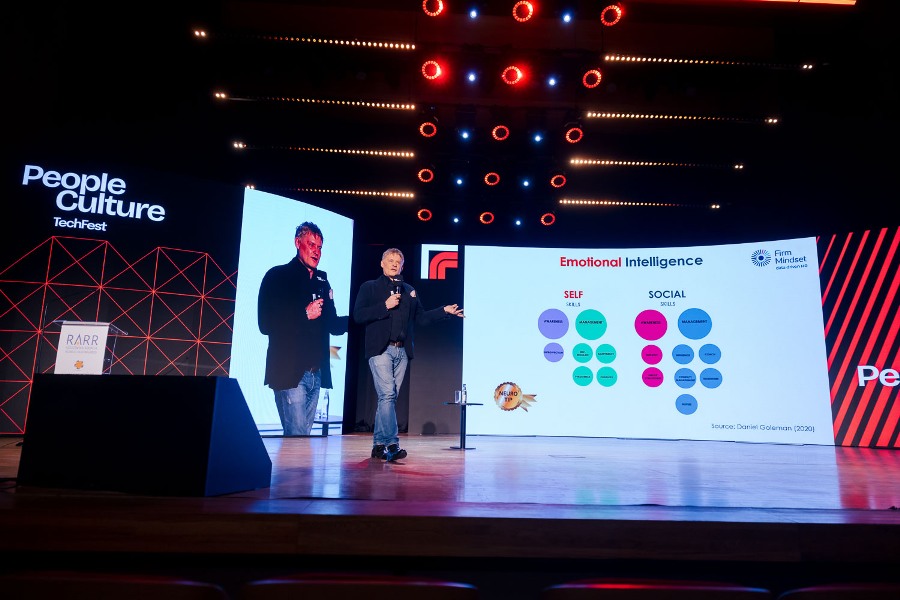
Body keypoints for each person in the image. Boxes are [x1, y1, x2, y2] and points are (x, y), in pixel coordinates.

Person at [353, 247, 464, 461]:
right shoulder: (370, 287)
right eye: (390, 260)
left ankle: (378, 446)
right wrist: (384, 306)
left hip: (402, 351)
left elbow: (421, 318)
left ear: (402, 266)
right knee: (387, 395)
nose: (394, 264)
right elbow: (358, 315)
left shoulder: (409, 290)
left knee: (388, 399)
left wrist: (443, 311)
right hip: (380, 350)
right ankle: (392, 444)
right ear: (382, 263)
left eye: (398, 261)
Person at [258, 222, 348, 436]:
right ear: (297, 243)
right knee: (298, 438)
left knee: (301, 441)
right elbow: (265, 324)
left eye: (320, 247)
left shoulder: (322, 281)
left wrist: (364, 317)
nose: (316, 252)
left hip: (316, 373)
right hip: (289, 371)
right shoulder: (277, 276)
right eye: (311, 245)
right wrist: (304, 314)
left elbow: (333, 324)